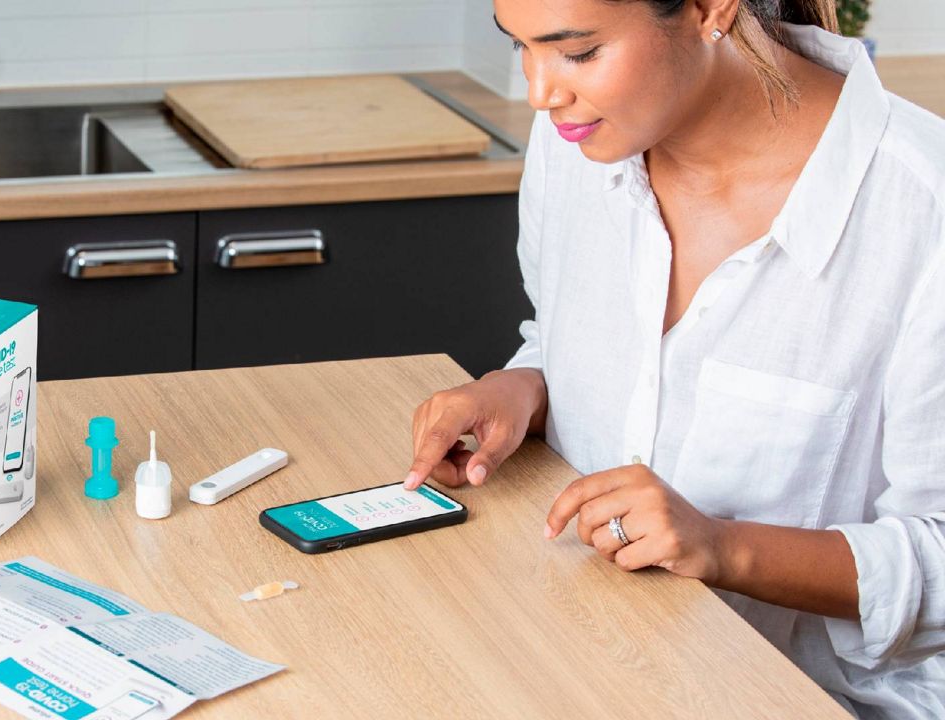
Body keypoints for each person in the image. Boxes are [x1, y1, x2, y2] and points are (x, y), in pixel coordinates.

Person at [403, 0, 945, 716]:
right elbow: (581, 344)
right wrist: (523, 387)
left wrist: (723, 547)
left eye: (578, 52)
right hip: (591, 661)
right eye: (522, 49)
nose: (541, 91)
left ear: (710, 9)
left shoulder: (921, 212)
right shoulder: (575, 142)